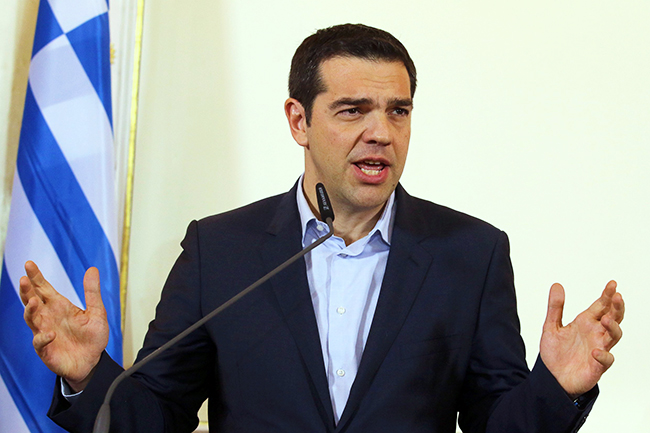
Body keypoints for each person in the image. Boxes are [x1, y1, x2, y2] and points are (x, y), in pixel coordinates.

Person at [20, 24, 624, 432]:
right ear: (298, 121)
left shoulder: (470, 253)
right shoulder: (220, 250)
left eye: (398, 111)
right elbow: (155, 416)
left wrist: (557, 387)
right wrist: (88, 376)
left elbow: (498, 423)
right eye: (352, 110)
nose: (381, 133)